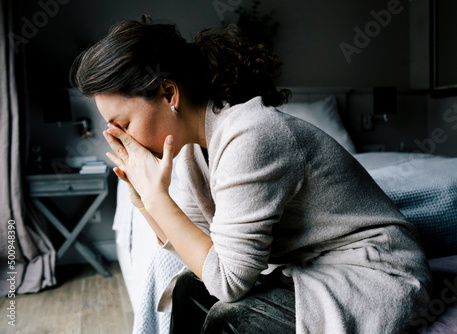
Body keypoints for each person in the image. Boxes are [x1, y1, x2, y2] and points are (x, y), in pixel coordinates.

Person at [71, 15, 432, 334]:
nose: (120, 138)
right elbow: (198, 253)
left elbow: (228, 284)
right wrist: (145, 202)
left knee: (229, 318)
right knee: (187, 289)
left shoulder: (251, 135)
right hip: (309, 268)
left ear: (169, 93)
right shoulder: (194, 149)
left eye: (124, 124)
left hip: (374, 276)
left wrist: (157, 198)